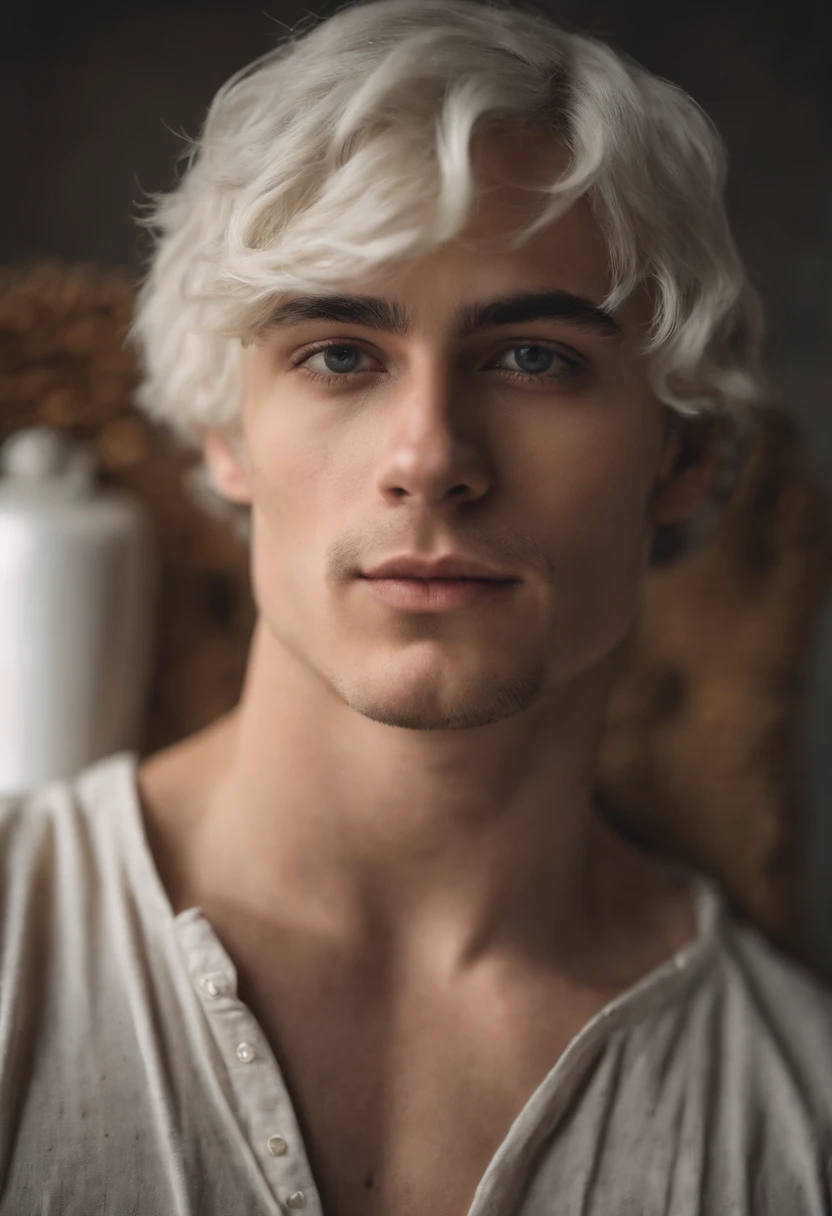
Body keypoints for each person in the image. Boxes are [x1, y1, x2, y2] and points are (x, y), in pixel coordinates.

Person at [2, 1, 831, 1212]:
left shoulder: (795, 1118)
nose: (430, 453)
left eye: (534, 357)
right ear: (225, 430)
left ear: (683, 450)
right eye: (338, 352)